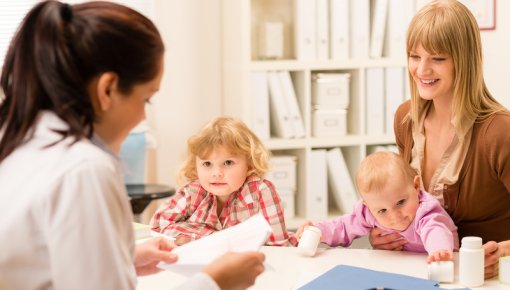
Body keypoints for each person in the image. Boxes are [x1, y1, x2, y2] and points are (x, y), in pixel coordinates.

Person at [0, 1, 264, 290]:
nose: (143, 115)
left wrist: (123, 259)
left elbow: (40, 260)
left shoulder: (20, 141)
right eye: (146, 99)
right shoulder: (84, 169)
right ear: (108, 89)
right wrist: (214, 282)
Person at [369, 0, 510, 279]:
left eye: (438, 58)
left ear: (465, 60)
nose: (422, 70)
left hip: (485, 281)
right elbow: (407, 203)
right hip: (421, 274)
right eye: (414, 56)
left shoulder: (499, 132)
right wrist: (388, 231)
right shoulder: (405, 119)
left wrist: (506, 252)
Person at [150, 116, 298, 246]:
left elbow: (277, 245)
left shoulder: (260, 192)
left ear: (249, 164)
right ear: (196, 167)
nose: (217, 174)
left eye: (228, 163)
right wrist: (214, 237)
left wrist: (191, 236)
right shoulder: (192, 191)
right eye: (207, 164)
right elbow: (157, 226)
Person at [296, 151, 458, 262]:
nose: (395, 216)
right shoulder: (367, 212)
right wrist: (318, 231)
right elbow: (344, 226)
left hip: (437, 261)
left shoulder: (425, 209)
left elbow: (435, 229)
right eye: (382, 211)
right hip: (401, 264)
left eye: (400, 202)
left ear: (416, 187)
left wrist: (439, 251)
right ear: (368, 206)